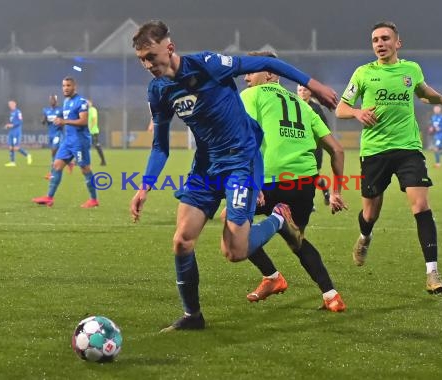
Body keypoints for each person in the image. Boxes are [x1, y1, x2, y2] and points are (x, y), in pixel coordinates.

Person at [129, 20, 338, 332]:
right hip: (206, 167)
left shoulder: (208, 64)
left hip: (241, 162)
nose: (148, 65)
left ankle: (279, 218)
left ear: (169, 48)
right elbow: (160, 146)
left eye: (151, 56)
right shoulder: (158, 90)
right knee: (182, 241)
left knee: (235, 252)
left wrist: (316, 85)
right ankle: (193, 317)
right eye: (142, 60)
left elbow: (267, 61)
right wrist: (144, 187)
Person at [335, 21, 442, 294]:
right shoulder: (363, 73)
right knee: (370, 212)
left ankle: (432, 273)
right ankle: (365, 236)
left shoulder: (411, 70)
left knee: (421, 207)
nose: (380, 43)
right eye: (375, 40)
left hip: (408, 149)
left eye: (385, 38)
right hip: (375, 152)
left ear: (397, 43)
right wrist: (356, 113)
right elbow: (341, 108)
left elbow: (424, 92)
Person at [239, 51, 348, 312]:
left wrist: (252, 184)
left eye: (251, 71)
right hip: (304, 184)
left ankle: (273, 276)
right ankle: (331, 295)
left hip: (270, 181)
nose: (245, 78)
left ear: (271, 73)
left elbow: (246, 141)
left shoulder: (251, 96)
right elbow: (338, 150)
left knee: (232, 226)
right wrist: (335, 191)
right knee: (296, 239)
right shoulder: (303, 105)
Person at [32, 76, 99, 208]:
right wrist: (58, 119)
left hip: (80, 141)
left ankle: (94, 199)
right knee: (56, 165)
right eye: (63, 86)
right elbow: (64, 117)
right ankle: (49, 197)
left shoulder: (81, 102)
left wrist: (65, 121)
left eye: (68, 85)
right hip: (68, 141)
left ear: (74, 87)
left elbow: (83, 121)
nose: (65, 88)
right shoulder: (66, 102)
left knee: (85, 169)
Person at [297, 84, 331, 206]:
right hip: (298, 147)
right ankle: (325, 192)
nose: (302, 92)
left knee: (310, 175)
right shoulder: (294, 105)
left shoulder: (316, 108)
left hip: (314, 148)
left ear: (310, 92)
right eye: (300, 90)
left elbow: (325, 128)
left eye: (305, 90)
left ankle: (309, 203)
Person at [41, 94, 66, 179]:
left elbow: (64, 120)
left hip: (58, 133)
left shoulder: (60, 110)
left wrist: (61, 123)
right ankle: (68, 163)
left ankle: (52, 172)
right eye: (51, 100)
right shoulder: (46, 110)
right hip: (50, 133)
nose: (52, 101)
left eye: (53, 100)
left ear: (56, 101)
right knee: (54, 152)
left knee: (54, 150)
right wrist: (43, 120)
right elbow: (44, 121)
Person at [4, 100, 31, 167]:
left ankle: (27, 155)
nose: (10, 105)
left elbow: (20, 122)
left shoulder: (18, 112)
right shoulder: (11, 113)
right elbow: (12, 122)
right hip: (11, 132)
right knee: (10, 147)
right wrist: (8, 125)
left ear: (14, 104)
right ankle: (12, 162)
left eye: (11, 104)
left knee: (16, 147)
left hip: (16, 132)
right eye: (9, 104)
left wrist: (12, 125)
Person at [87, 99, 107, 166]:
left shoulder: (93, 110)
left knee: (97, 146)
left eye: (88, 102)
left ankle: (103, 160)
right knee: (84, 146)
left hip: (93, 132)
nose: (87, 104)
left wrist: (91, 129)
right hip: (88, 131)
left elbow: (94, 119)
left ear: (91, 103)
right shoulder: (86, 111)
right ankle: (82, 161)